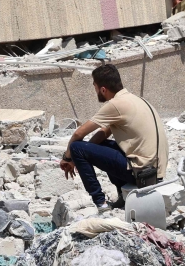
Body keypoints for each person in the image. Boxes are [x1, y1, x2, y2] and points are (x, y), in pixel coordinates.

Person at [59, 64, 168, 210]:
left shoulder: (116, 104)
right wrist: (87, 154)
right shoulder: (136, 99)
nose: (96, 91)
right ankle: (123, 198)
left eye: (95, 87)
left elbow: (78, 134)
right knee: (97, 146)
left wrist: (68, 157)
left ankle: (100, 203)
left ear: (103, 89)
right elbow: (104, 132)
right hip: (155, 172)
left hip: (142, 174)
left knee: (75, 147)